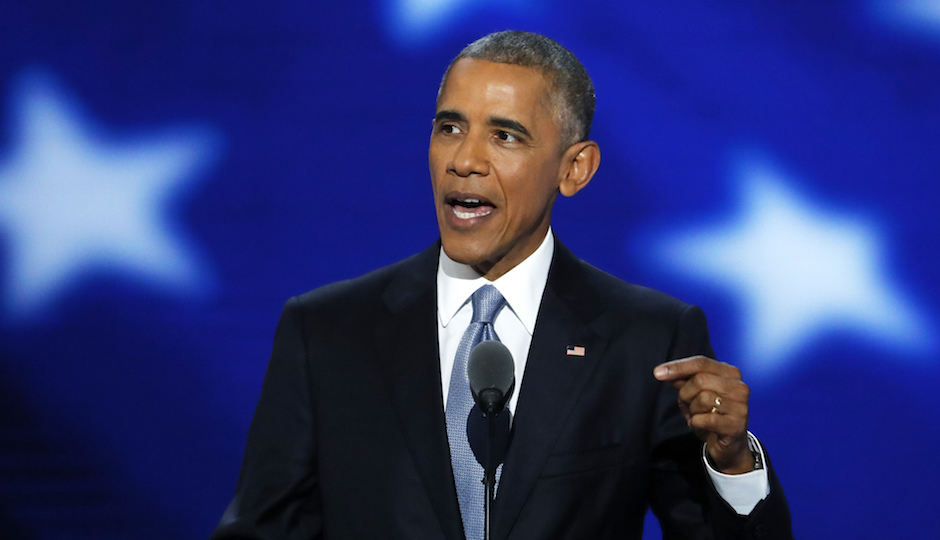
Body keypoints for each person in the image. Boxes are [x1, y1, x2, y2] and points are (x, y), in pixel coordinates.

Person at [210, 31, 793, 539]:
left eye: (505, 136)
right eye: (449, 127)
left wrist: (732, 463)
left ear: (575, 169)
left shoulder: (647, 341)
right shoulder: (327, 333)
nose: (465, 160)